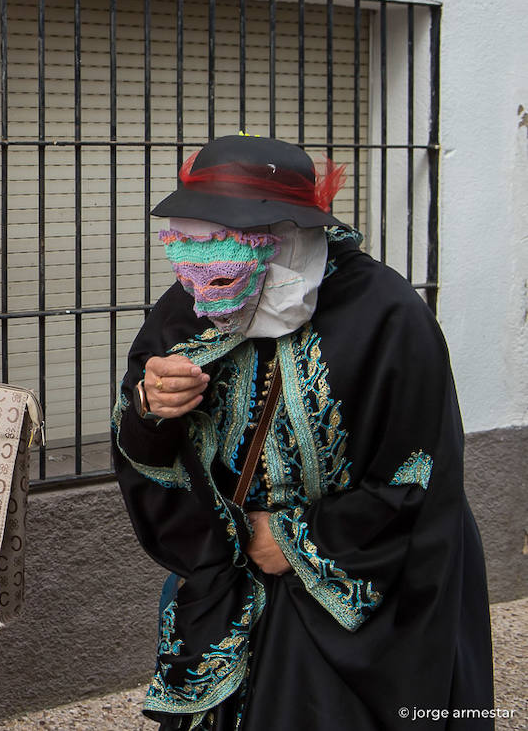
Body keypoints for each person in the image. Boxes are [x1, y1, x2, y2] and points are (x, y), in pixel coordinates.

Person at [111, 134, 494, 730]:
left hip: (357, 580)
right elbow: (142, 431)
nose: (203, 258)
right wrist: (151, 406)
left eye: (225, 237)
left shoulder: (387, 315)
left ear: (288, 232)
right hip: (228, 572)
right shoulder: (190, 303)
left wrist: (298, 540)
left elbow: (420, 471)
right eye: (193, 236)